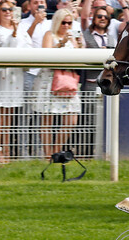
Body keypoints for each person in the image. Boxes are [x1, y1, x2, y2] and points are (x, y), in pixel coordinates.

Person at [35, 9, 84, 157]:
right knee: (47, 120)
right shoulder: (49, 35)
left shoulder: (73, 37)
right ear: (57, 22)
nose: (66, 26)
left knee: (71, 119)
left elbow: (79, 58)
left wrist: (80, 45)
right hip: (50, 80)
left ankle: (56, 151)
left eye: (69, 23)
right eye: (64, 22)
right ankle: (47, 154)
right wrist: (62, 43)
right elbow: (46, 54)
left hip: (68, 80)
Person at [0, 1, 30, 162]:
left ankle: (6, 151)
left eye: (10, 9)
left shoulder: (22, 30)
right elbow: (5, 49)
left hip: (17, 77)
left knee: (9, 118)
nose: (8, 12)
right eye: (4, 9)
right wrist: (14, 32)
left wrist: (16, 31)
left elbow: (28, 48)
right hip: (2, 78)